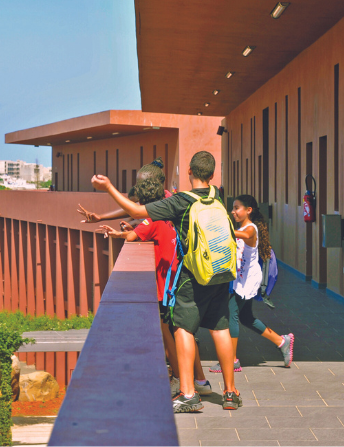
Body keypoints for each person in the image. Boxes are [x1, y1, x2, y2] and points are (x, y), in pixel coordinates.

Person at [91, 151, 241, 413]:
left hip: (192, 276)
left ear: (190, 172)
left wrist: (108, 187)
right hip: (218, 272)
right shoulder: (217, 195)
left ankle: (188, 393)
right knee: (220, 328)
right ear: (212, 175)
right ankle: (230, 393)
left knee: (183, 329)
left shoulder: (181, 201)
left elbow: (137, 209)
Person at [95, 177, 211, 398]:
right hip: (185, 276)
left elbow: (132, 235)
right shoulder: (171, 205)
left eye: (138, 204)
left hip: (168, 284)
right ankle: (200, 379)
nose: (137, 209)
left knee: (170, 330)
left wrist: (120, 233)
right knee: (186, 330)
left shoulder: (153, 218)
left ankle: (182, 382)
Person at [211, 195, 293, 373]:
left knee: (231, 314)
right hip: (241, 279)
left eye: (237, 208)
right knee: (246, 317)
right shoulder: (241, 227)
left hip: (246, 282)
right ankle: (282, 341)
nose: (233, 211)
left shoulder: (251, 228)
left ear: (249, 210)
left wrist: (224, 231)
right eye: (232, 208)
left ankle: (232, 361)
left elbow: (246, 235)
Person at [78, 158, 169, 225]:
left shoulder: (167, 202)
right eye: (139, 184)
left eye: (144, 184)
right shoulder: (154, 200)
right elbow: (134, 208)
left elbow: (136, 212)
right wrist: (101, 217)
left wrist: (108, 187)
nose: (139, 188)